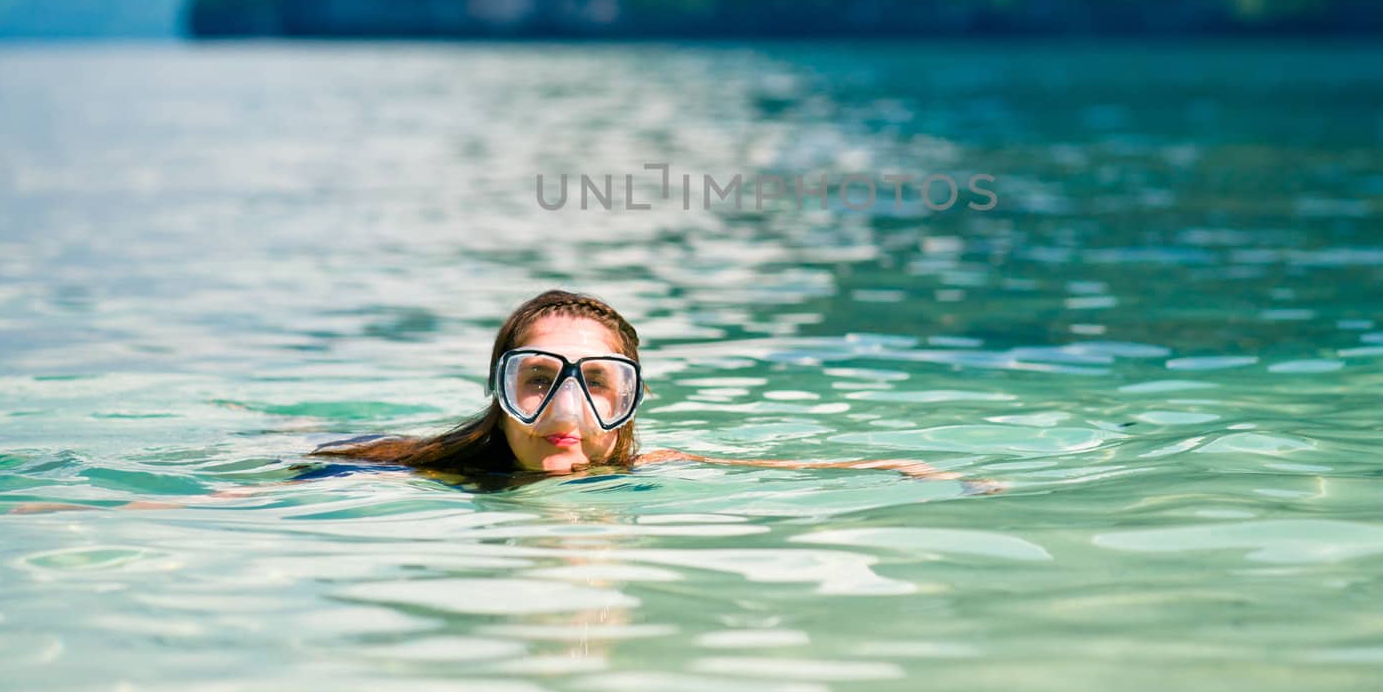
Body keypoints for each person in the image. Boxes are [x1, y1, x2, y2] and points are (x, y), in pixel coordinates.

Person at [314, 288, 969, 482]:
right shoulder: (437, 470)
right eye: (536, 379)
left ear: (630, 402)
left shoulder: (645, 467)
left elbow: (776, 466)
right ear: (500, 395)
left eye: (598, 383)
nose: (562, 409)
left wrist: (889, 465)